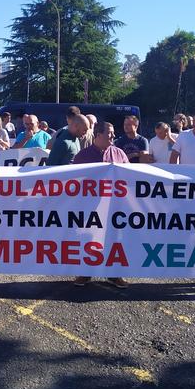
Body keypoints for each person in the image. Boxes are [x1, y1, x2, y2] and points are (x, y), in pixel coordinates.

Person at [72, 120, 129, 289]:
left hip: (114, 206)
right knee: (88, 238)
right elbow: (75, 181)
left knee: (113, 239)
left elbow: (129, 179)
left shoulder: (120, 154)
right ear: (98, 135)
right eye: (109, 133)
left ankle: (114, 274)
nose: (113, 136)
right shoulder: (83, 156)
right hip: (90, 207)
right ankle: (85, 272)